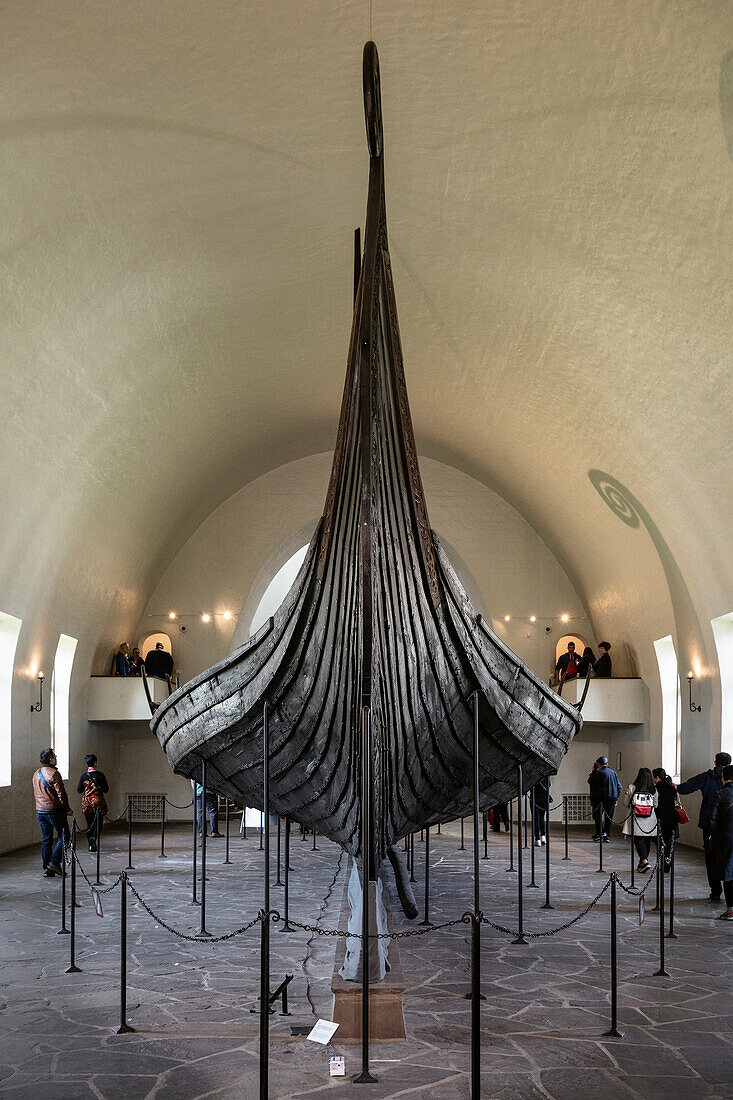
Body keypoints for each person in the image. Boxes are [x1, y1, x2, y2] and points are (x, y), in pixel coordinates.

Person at [677, 751, 732, 901]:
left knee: (711, 857)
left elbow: (685, 788)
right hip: (730, 826)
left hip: (710, 825)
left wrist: (674, 787)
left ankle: (715, 891)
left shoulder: (707, 776)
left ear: (715, 762)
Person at [33, 748, 72, 876]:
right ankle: (54, 863)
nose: (56, 758)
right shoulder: (54, 773)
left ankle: (47, 869)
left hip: (40, 811)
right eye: (54, 756)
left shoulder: (36, 774)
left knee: (46, 839)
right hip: (54, 810)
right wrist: (67, 809)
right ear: (50, 759)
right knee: (65, 836)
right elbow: (62, 794)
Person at [707, 763, 733, 921]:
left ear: (723, 777)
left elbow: (711, 820)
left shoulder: (720, 794)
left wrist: (713, 834)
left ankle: (731, 909)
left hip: (726, 839)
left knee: (729, 874)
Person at [621, 767, 658, 871]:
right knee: (647, 840)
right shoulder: (653, 789)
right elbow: (656, 805)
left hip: (636, 818)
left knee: (638, 840)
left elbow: (625, 803)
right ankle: (642, 862)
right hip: (650, 818)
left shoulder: (632, 788)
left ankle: (644, 861)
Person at [77, 754, 109, 852]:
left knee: (89, 824)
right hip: (98, 803)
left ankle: (91, 845)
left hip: (87, 804)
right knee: (99, 824)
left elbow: (79, 790)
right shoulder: (100, 775)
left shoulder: (83, 776)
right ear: (95, 763)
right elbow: (106, 789)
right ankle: (93, 838)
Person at [653, 767, 680, 872]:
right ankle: (668, 859)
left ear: (657, 777)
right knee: (670, 840)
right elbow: (675, 801)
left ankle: (663, 860)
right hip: (672, 817)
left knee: (660, 840)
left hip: (660, 817)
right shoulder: (672, 787)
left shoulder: (656, 788)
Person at [588, 756, 621, 841]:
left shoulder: (599, 773)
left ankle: (600, 833)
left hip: (599, 799)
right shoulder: (613, 773)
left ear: (598, 764)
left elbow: (590, 782)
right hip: (612, 799)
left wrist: (593, 771)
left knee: (597, 816)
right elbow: (619, 787)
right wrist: (616, 797)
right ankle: (607, 835)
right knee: (608, 818)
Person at [532, 780, 551, 845]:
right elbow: (549, 785)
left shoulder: (533, 775)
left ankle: (537, 839)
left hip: (535, 797)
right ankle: (543, 836)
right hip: (544, 798)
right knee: (542, 818)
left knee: (536, 819)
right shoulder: (546, 774)